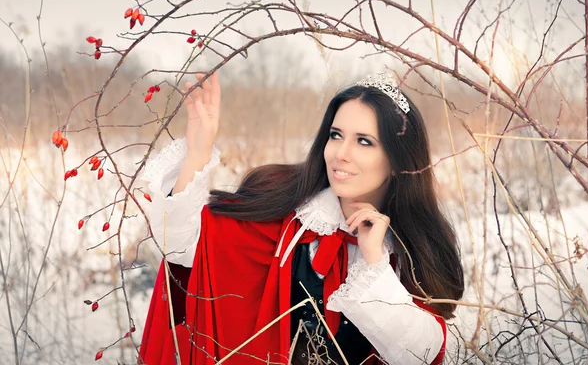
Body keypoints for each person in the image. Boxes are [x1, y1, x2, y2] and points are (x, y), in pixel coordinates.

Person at [139, 71, 464, 365]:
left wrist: (374, 261)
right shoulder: (284, 209)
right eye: (336, 135)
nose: (340, 153)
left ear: (397, 159)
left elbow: (420, 355)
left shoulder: (417, 244)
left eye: (364, 141)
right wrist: (197, 153)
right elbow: (181, 247)